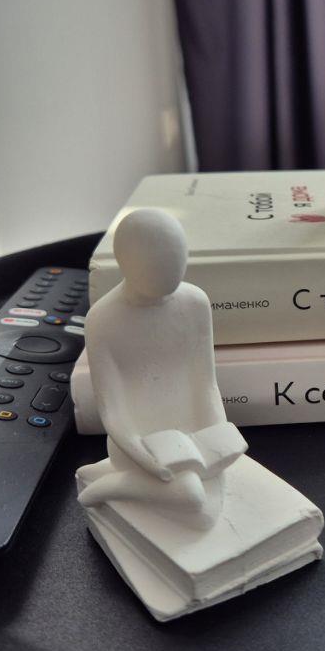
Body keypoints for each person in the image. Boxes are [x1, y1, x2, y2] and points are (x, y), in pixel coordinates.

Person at [76, 208, 243, 529]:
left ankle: (133, 480)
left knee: (218, 473)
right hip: (139, 438)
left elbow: (205, 383)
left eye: (175, 264)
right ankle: (118, 484)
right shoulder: (103, 320)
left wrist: (216, 432)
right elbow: (112, 410)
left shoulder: (195, 302)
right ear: (126, 262)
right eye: (155, 268)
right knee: (193, 499)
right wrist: (146, 458)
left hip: (191, 429)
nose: (168, 278)